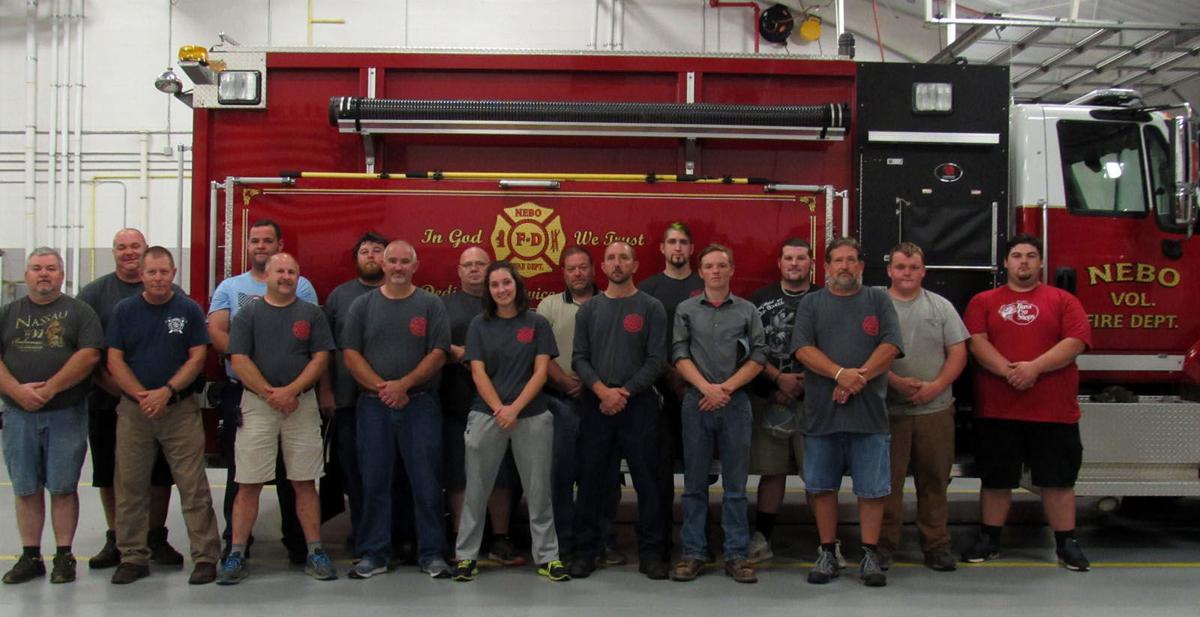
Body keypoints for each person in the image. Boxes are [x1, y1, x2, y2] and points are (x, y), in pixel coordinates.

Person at [961, 234, 1092, 571]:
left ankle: (1066, 544)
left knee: (1058, 481)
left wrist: (1034, 368)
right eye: (1017, 256)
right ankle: (989, 539)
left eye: (1031, 256)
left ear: (1041, 262)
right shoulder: (983, 301)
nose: (1024, 262)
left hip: (1054, 411)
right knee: (996, 480)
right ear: (1005, 262)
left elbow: (1076, 341)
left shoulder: (1063, 300)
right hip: (998, 409)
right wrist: (1009, 372)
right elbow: (976, 342)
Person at [217, 253, 337, 584]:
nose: (286, 276)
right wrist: (271, 393)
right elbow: (238, 359)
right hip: (258, 406)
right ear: (267, 276)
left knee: (304, 481)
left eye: (292, 272)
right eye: (280, 271)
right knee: (249, 483)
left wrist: (291, 392)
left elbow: (320, 359)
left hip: (301, 406)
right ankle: (236, 553)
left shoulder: (311, 314)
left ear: (298, 277)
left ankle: (315, 550)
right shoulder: (249, 313)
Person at [106, 246, 221, 585]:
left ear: (174, 273)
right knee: (129, 485)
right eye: (151, 272)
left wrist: (166, 391)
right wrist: (141, 395)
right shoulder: (124, 311)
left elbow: (197, 357)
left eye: (164, 272)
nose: (158, 278)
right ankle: (132, 557)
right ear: (141, 275)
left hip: (180, 409)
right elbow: (114, 360)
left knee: (193, 485)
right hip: (134, 411)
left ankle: (205, 556)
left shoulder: (187, 309)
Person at [792, 237, 902, 587]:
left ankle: (869, 553)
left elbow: (891, 344)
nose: (844, 266)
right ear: (826, 267)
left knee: (871, 490)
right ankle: (827, 551)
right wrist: (840, 374)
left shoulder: (878, 299)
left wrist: (858, 378)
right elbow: (803, 349)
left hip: (869, 416)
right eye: (837, 260)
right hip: (822, 415)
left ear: (860, 265)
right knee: (822, 487)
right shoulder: (812, 304)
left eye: (851, 260)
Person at [208, 219, 317, 564]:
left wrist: (288, 390)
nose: (260, 245)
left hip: (296, 399)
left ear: (278, 244)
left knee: (297, 477)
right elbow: (221, 335)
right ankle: (237, 546)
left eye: (267, 240)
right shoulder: (231, 288)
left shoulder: (305, 290)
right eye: (254, 240)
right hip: (248, 395)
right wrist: (264, 383)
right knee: (243, 476)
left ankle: (301, 545)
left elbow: (317, 349)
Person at [452, 261, 568, 582]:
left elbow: (541, 372)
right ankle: (466, 557)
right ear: (488, 291)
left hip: (531, 416)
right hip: (486, 415)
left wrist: (514, 408)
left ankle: (547, 557)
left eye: (506, 283)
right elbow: (477, 372)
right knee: (476, 488)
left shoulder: (537, 323)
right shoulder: (478, 324)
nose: (501, 290)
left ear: (516, 284)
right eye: (495, 285)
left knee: (539, 489)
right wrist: (500, 409)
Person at [342, 240, 452, 579]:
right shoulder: (362, 306)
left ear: (415, 266)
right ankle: (374, 553)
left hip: (420, 405)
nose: (399, 267)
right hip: (373, 406)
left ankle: (432, 553)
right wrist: (384, 388)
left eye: (406, 261)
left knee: (427, 482)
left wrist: (403, 385)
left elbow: (438, 353)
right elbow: (350, 354)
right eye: (393, 261)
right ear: (383, 265)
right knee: (374, 480)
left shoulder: (431, 304)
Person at [79, 229, 184, 570]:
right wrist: (124, 391)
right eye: (121, 247)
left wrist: (158, 395)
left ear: (145, 252)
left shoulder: (173, 294)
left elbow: (183, 351)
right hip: (108, 401)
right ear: (113, 252)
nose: (128, 252)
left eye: (134, 246)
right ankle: (117, 537)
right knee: (110, 474)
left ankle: (155, 536)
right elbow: (90, 351)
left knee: (158, 474)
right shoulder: (94, 294)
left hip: (160, 404)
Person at [0, 248, 103, 584]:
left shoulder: (79, 312)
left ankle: (64, 556)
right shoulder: (8, 313)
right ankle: (31, 556)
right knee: (26, 487)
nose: (43, 274)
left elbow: (88, 356)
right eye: (36, 268)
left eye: (51, 268)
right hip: (17, 415)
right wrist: (17, 392)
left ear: (62, 275)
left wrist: (49, 390)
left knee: (62, 487)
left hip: (65, 413)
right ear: (26, 274)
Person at [569, 242, 670, 581]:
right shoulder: (589, 310)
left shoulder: (651, 307)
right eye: (611, 258)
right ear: (603, 266)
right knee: (592, 482)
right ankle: (585, 552)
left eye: (623, 257)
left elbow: (657, 360)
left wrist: (624, 391)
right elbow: (579, 358)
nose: (617, 263)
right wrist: (601, 390)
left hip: (637, 404)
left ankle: (652, 554)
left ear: (635, 264)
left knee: (648, 483)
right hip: (596, 405)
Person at [670, 244, 766, 584]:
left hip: (736, 404)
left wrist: (725, 390)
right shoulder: (685, 310)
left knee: (736, 486)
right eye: (709, 266)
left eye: (721, 265)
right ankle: (694, 552)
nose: (715, 271)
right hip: (696, 403)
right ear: (701, 271)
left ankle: (736, 555)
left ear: (731, 270)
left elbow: (759, 356)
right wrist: (707, 389)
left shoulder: (747, 311)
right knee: (694, 484)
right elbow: (679, 354)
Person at [879, 242, 968, 572]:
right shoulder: (876, 304)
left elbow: (958, 352)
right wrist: (895, 382)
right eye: (901, 267)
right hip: (889, 412)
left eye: (913, 267)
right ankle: (883, 545)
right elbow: (862, 353)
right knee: (887, 485)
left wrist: (936, 387)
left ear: (923, 271)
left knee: (934, 482)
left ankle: (936, 545)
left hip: (935, 410)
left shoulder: (941, 307)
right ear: (889, 270)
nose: (906, 273)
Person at [439, 246, 523, 566]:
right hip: (455, 399)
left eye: (480, 264)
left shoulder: (504, 306)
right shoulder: (443, 305)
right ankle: (462, 539)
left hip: (500, 402)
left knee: (501, 472)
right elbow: (435, 344)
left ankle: (500, 539)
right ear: (459, 271)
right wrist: (466, 353)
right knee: (459, 473)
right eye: (468, 265)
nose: (474, 269)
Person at [536, 246, 620, 565]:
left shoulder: (609, 304)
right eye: (571, 268)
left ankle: (605, 540)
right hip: (560, 400)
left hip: (601, 399)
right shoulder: (549, 306)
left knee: (605, 474)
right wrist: (564, 381)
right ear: (563, 273)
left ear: (593, 269)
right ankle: (566, 540)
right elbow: (541, 352)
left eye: (583, 267)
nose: (577, 273)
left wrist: (593, 383)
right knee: (561, 474)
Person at [637, 222, 704, 559]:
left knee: (699, 471)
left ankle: (697, 541)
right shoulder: (647, 291)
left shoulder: (706, 286)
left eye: (683, 242)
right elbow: (643, 344)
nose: (678, 248)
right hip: (658, 394)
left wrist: (692, 380)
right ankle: (658, 541)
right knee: (657, 472)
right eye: (672, 242)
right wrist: (671, 375)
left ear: (692, 250)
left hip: (700, 392)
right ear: (662, 249)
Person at [319, 231, 387, 558]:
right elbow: (325, 351)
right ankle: (362, 536)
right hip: (347, 402)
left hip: (391, 403)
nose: (371, 256)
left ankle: (392, 535)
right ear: (356, 259)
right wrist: (327, 391)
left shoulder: (401, 295)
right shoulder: (339, 297)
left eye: (377, 251)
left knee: (389, 473)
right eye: (365, 251)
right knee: (356, 475)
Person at [746, 238, 814, 564]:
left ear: (811, 263)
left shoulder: (824, 298)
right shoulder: (760, 300)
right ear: (780, 263)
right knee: (771, 471)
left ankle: (828, 543)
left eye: (801, 258)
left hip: (813, 401)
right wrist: (778, 380)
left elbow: (831, 347)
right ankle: (762, 538)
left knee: (816, 473)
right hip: (769, 396)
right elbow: (749, 348)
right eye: (789, 258)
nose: (795, 264)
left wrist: (804, 383)